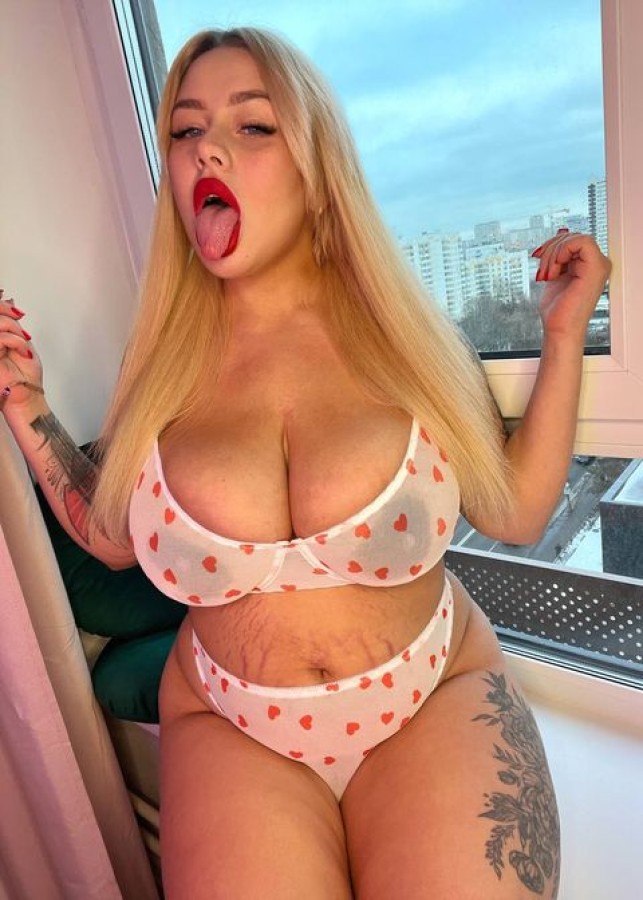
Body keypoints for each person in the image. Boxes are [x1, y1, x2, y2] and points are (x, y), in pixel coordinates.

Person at [0, 25, 610, 900]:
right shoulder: (161, 360)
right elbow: (113, 540)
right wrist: (25, 404)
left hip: (429, 697)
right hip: (230, 724)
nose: (206, 147)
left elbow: (514, 512)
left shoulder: (402, 332)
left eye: (252, 125)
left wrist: (561, 332)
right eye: (185, 129)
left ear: (318, 166)